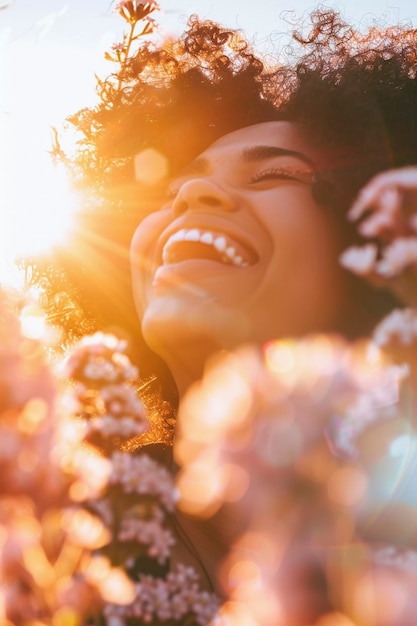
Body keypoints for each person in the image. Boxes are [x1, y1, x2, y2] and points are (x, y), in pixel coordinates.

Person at [39, 5, 417, 620]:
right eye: (170, 191)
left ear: (375, 236)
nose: (192, 194)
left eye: (273, 174)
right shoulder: (51, 528)